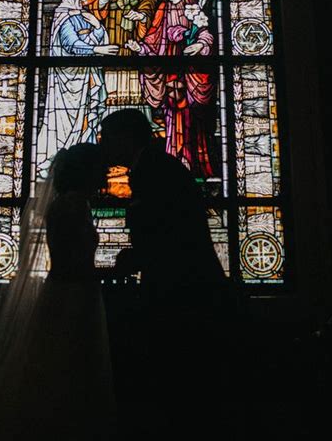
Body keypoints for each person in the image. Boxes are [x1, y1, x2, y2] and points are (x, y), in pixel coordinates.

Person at [0, 144, 115, 441]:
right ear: (85, 171)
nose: (107, 171)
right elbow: (72, 264)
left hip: (72, 293)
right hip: (71, 297)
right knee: (66, 374)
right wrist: (115, 271)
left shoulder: (71, 203)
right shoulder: (72, 206)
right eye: (100, 165)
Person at [99, 109, 232, 436]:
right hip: (184, 285)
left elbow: (166, 231)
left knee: (184, 384)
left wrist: (136, 257)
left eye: (107, 138)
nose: (103, 147)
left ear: (126, 137)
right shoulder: (154, 165)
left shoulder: (152, 170)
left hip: (184, 292)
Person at [126, 0, 217, 179]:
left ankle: (190, 162)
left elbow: (206, 32)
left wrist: (199, 45)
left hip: (189, 71)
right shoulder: (162, 8)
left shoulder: (192, 5)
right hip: (170, 72)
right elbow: (153, 37)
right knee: (171, 116)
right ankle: (174, 157)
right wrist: (141, 49)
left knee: (190, 118)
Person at [36, 0, 118, 179]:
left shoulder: (83, 14)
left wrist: (97, 26)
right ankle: (58, 159)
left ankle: (86, 160)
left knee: (86, 118)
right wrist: (97, 50)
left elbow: (96, 36)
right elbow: (71, 44)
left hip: (84, 77)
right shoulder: (63, 14)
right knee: (65, 120)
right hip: (68, 79)